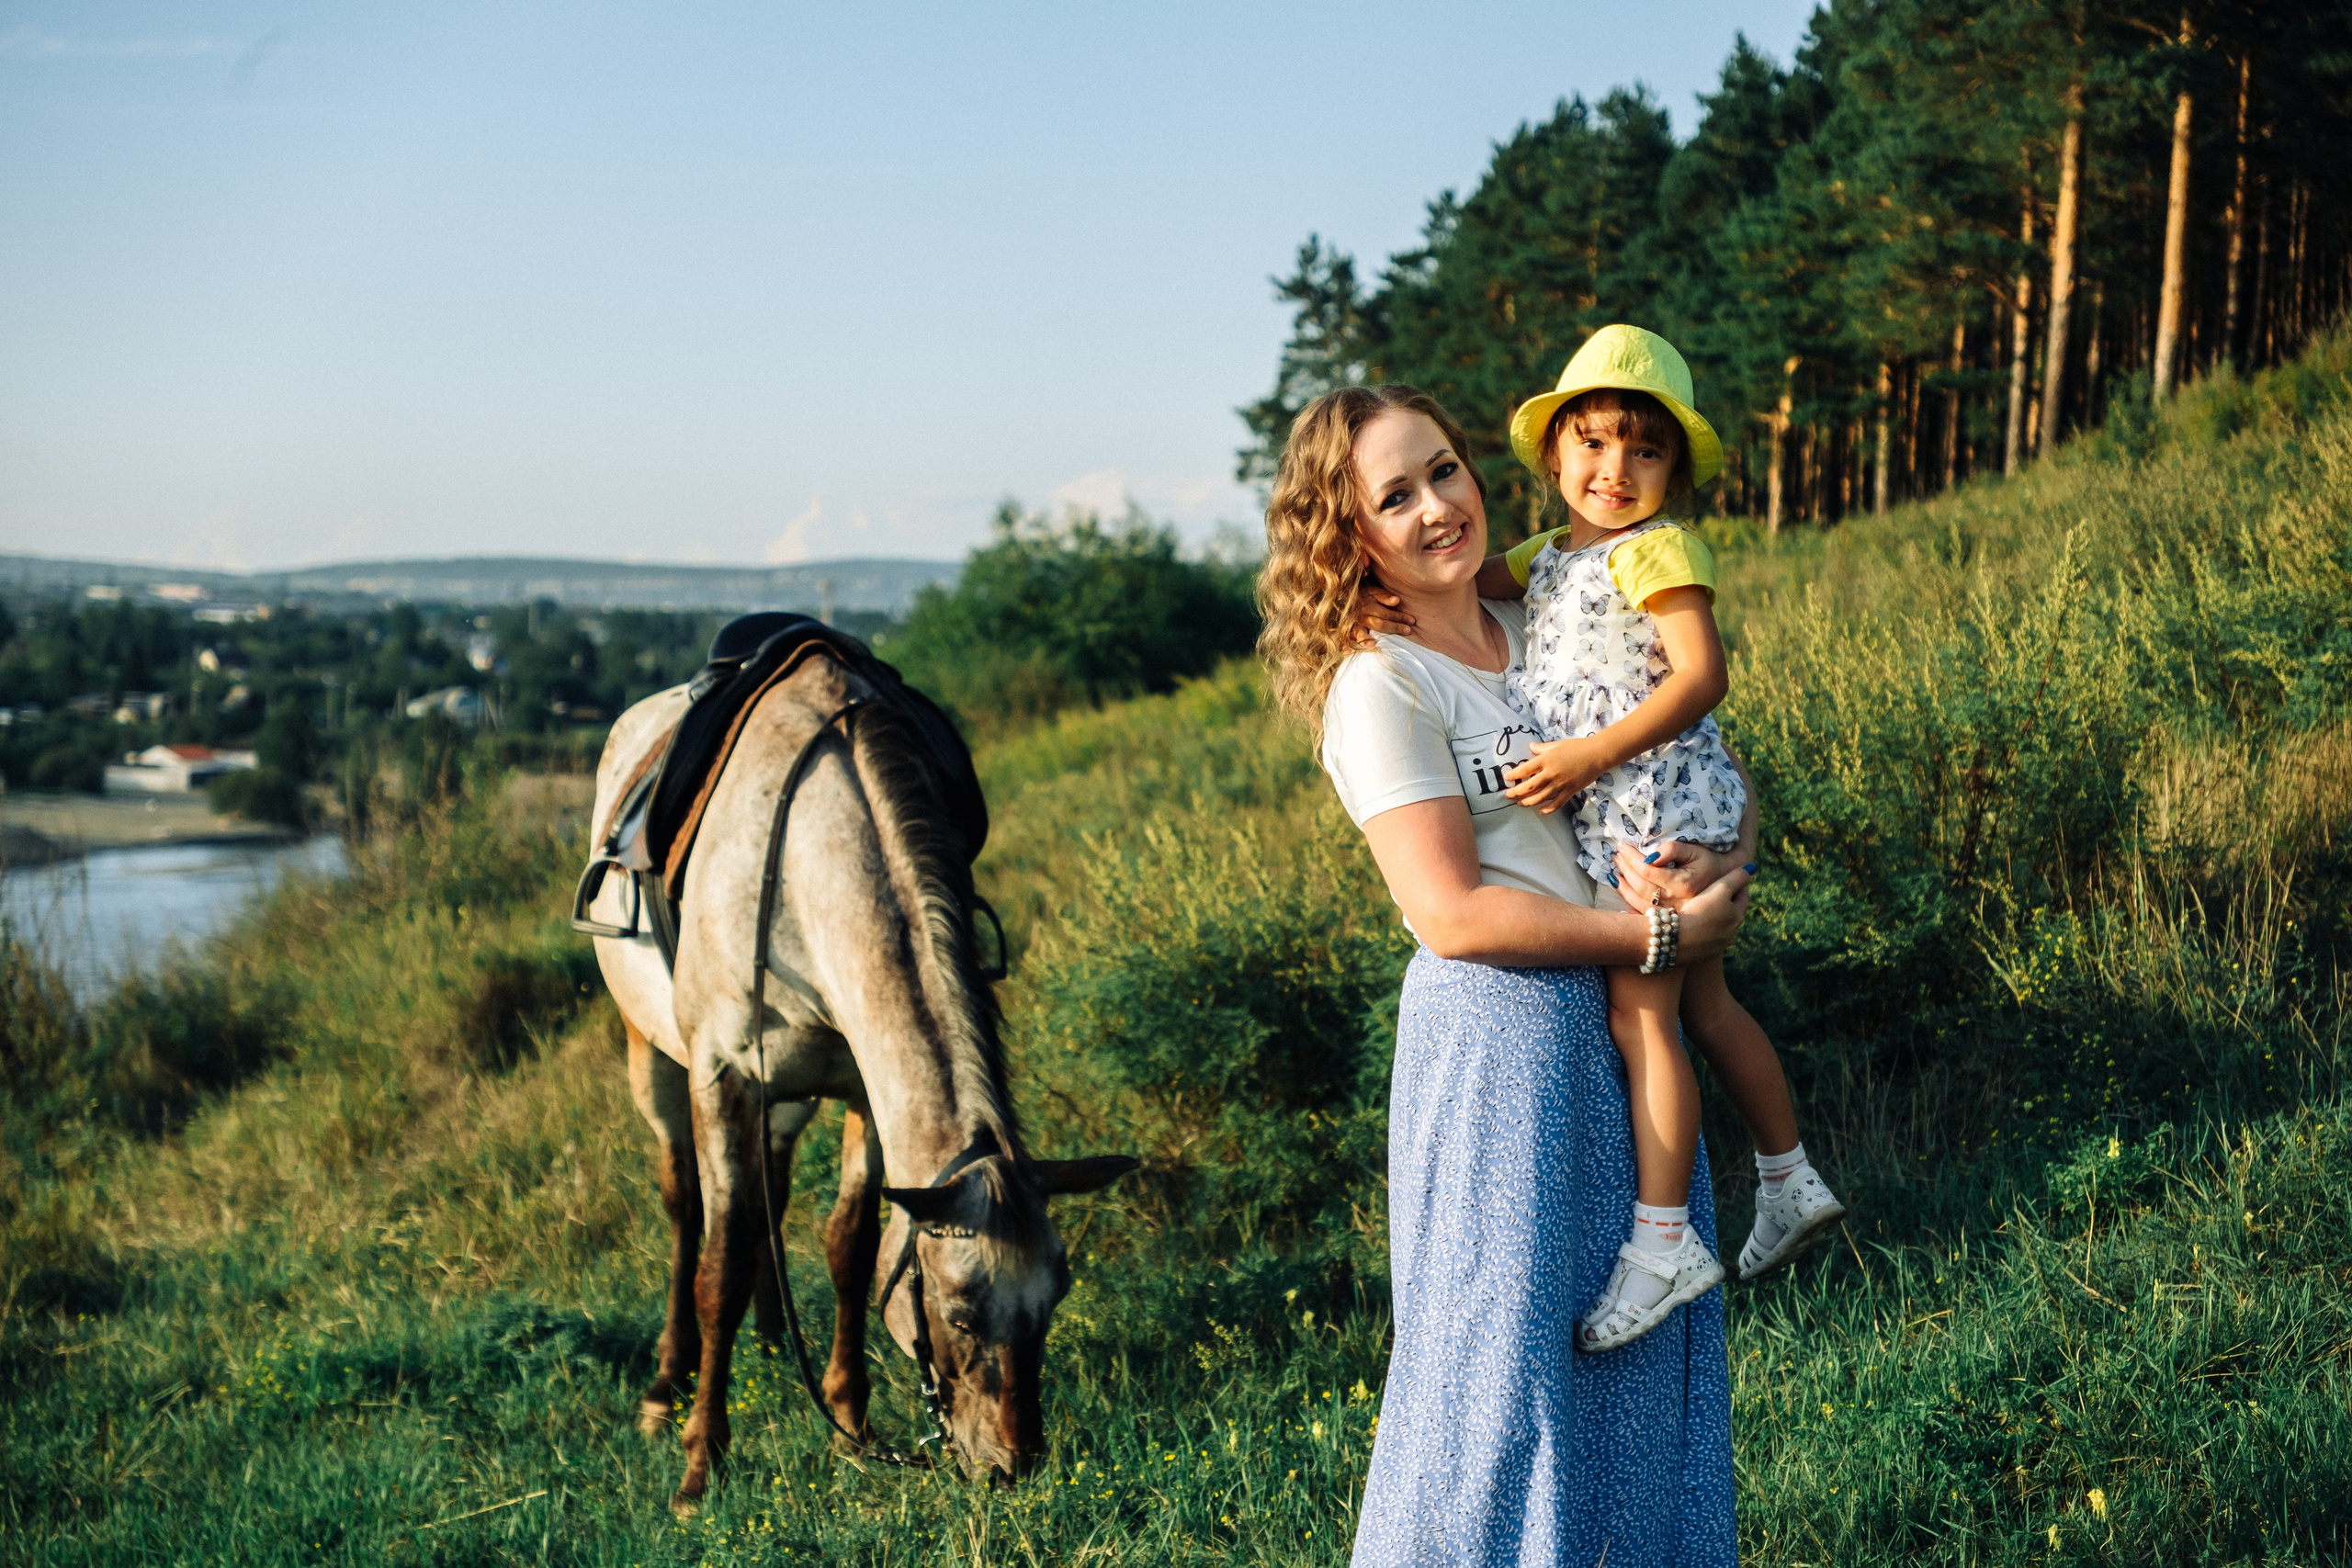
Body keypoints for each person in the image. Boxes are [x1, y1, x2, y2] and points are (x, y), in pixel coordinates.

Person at [1260, 381, 1749, 1565]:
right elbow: (1452, 913)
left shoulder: (1549, 608)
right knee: (1495, 1390)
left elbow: (1695, 754)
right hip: (1501, 1051)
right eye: (1393, 496)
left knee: (1644, 1368)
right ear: (1346, 534)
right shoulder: (1380, 684)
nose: (1437, 506)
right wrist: (1658, 943)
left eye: (1444, 470)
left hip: (1626, 1032)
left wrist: (1724, 859)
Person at [1363, 328, 1845, 1358]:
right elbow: (1475, 576)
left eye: (1644, 451)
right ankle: (1787, 1175)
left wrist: (1590, 758)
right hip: (1643, 807)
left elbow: (1703, 680)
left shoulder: (1657, 550)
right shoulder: (1548, 558)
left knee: (1646, 1018)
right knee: (1706, 1009)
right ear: (1552, 457)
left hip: (1645, 805)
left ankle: (1663, 1240)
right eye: (1591, 444)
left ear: (1674, 472)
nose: (1615, 470)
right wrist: (1366, 590)